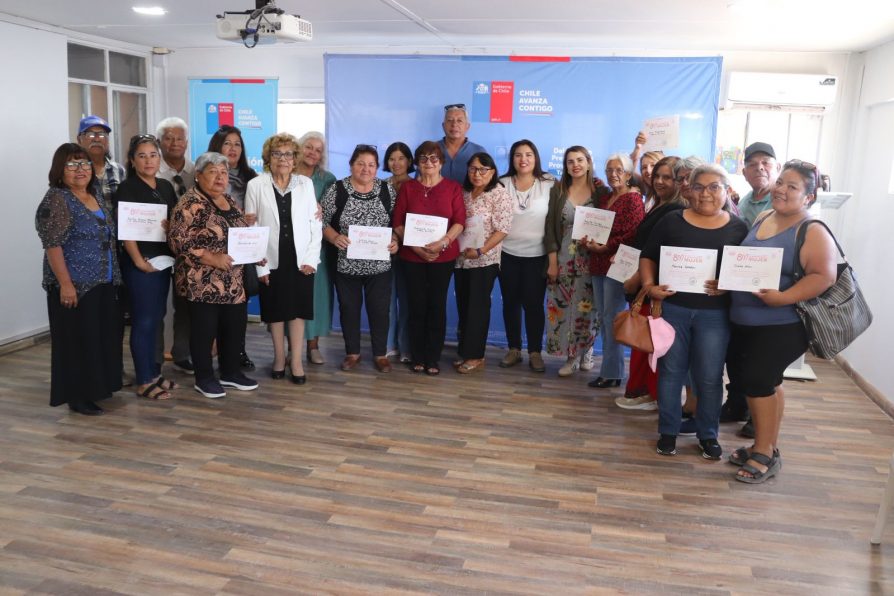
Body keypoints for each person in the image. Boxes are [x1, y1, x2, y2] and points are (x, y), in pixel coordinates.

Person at [727, 160, 836, 483]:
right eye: (781, 183)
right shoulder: (763, 217)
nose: (782, 190)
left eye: (793, 187)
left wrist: (782, 298)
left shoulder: (811, 229)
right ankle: (767, 444)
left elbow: (823, 277)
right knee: (768, 382)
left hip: (782, 322)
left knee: (758, 380)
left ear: (809, 197)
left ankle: (764, 453)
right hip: (746, 319)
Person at [640, 164, 749, 459]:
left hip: (715, 315)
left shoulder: (739, 228)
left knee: (710, 376)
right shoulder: (672, 221)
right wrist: (650, 287)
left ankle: (708, 435)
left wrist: (728, 285)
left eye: (714, 187)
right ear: (688, 190)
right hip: (673, 309)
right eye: (699, 187)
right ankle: (668, 432)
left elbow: (745, 269)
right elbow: (648, 257)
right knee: (671, 373)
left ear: (726, 192)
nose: (706, 194)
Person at [35, 143, 123, 416]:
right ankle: (77, 396)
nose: (80, 170)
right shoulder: (57, 199)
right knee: (76, 344)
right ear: (59, 171)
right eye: (71, 165)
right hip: (74, 286)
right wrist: (65, 284)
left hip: (103, 281)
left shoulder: (94, 195)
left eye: (84, 164)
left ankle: (95, 390)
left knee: (97, 340)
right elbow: (52, 244)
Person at [168, 152, 259, 399]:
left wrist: (255, 252)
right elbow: (178, 242)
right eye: (213, 172)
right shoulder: (189, 203)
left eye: (223, 172)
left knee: (234, 329)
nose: (220, 177)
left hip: (234, 282)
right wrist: (211, 258)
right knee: (204, 331)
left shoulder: (228, 199)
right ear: (198, 176)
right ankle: (204, 378)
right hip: (202, 281)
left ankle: (230, 373)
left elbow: (240, 235)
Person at [245, 133, 322, 385]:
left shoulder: (305, 185)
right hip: (270, 259)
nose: (283, 159)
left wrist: (312, 258)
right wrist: (259, 267)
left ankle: (296, 361)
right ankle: (279, 359)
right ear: (269, 157)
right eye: (278, 153)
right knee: (275, 312)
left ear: (295, 158)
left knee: (298, 311)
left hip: (301, 259)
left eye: (289, 154)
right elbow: (251, 228)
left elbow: (315, 225)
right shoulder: (256, 185)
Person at [615, 156, 686, 410]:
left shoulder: (674, 209)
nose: (659, 181)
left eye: (667, 177)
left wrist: (638, 280)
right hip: (644, 281)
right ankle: (645, 392)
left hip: (653, 286)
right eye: (657, 175)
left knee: (652, 343)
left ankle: (653, 396)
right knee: (644, 342)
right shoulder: (658, 203)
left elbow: (658, 252)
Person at [113, 134, 179, 401]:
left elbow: (174, 220)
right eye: (142, 155)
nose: (148, 160)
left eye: (153, 155)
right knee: (143, 321)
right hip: (140, 265)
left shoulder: (164, 186)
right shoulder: (127, 188)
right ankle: (143, 380)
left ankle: (154, 373)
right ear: (132, 160)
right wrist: (139, 261)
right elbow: (125, 230)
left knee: (157, 318)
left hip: (163, 262)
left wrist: (170, 226)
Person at [322, 145, 399, 373]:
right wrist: (334, 236)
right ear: (351, 165)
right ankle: (352, 353)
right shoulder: (337, 190)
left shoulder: (387, 191)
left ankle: (380, 354)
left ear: (377, 168)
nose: (366, 169)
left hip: (380, 265)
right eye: (360, 163)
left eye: (371, 165)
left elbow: (396, 223)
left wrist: (395, 240)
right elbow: (320, 221)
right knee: (349, 308)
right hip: (345, 265)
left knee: (379, 309)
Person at [392, 140, 466, 375]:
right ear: (417, 163)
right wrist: (418, 248)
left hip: (443, 258)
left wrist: (442, 243)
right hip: (412, 258)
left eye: (434, 158)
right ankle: (418, 356)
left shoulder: (453, 188)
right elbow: (398, 223)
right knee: (416, 307)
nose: (429, 163)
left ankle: (433, 358)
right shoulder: (408, 188)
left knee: (436, 306)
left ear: (441, 162)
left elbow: (459, 222)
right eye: (423, 159)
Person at [583, 153, 644, 388]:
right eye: (609, 170)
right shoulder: (606, 197)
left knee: (613, 319)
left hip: (618, 265)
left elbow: (633, 234)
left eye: (619, 170)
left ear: (629, 174)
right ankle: (610, 371)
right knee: (605, 317)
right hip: (597, 262)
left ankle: (612, 373)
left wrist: (607, 246)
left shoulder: (633, 199)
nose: (613, 174)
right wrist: (588, 241)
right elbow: (595, 225)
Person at [545, 146, 603, 377]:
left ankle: (585, 351)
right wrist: (552, 262)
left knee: (588, 309)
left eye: (580, 160)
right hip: (564, 259)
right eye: (570, 161)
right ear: (566, 166)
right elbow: (550, 228)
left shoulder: (601, 191)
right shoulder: (558, 190)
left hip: (592, 259)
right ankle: (570, 356)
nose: (575, 165)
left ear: (589, 162)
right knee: (564, 308)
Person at [498, 140, 554, 373]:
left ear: (536, 158)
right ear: (512, 159)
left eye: (529, 154)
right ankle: (513, 349)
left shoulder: (549, 183)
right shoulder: (501, 184)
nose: (523, 159)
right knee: (510, 303)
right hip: (506, 253)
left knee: (533, 305)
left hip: (537, 255)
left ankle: (534, 352)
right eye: (518, 155)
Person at [454, 152, 512, 374]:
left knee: (477, 308)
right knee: (464, 306)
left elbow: (503, 229)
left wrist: (480, 250)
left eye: (482, 169)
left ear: (492, 171)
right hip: (461, 260)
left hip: (484, 260)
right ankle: (465, 352)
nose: (477, 174)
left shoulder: (499, 194)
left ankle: (476, 355)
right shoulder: (464, 192)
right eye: (472, 169)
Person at [207, 125, 258, 371]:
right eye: (227, 143)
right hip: (214, 252)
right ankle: (213, 350)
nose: (233, 148)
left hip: (243, 249)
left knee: (240, 305)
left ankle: (238, 351)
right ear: (217, 146)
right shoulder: (206, 174)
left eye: (237, 144)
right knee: (215, 306)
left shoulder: (252, 177)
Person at [154, 116, 195, 374]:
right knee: (157, 305)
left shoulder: (197, 171)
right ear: (160, 142)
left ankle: (182, 352)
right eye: (168, 138)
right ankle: (155, 358)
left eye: (179, 138)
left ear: (187, 142)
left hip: (189, 250)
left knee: (186, 304)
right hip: (157, 247)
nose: (174, 143)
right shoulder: (151, 170)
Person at [296, 131, 337, 366]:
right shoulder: (286, 173)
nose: (313, 152)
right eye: (308, 147)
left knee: (318, 297)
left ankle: (313, 347)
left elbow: (333, 213)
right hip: (289, 244)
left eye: (318, 149)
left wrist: (324, 211)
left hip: (318, 247)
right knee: (292, 296)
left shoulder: (328, 179)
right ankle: (292, 347)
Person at [383, 141, 415, 363]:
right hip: (382, 250)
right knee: (386, 302)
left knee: (406, 301)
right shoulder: (379, 186)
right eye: (392, 159)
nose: (396, 163)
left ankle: (406, 347)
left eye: (401, 158)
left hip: (410, 252)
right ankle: (388, 345)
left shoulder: (418, 186)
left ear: (410, 161)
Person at [76, 115, 125, 203]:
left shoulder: (119, 170)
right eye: (90, 135)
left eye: (102, 135)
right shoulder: (74, 171)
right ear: (79, 140)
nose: (97, 139)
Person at [438, 104, 486, 183]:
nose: (454, 125)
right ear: (443, 126)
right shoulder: (431, 149)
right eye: (449, 120)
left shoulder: (479, 151)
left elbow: (487, 182)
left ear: (467, 126)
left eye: (459, 121)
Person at [738, 142, 781, 227]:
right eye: (752, 164)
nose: (759, 167)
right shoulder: (743, 203)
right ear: (744, 173)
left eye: (765, 162)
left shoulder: (784, 201)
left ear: (778, 168)